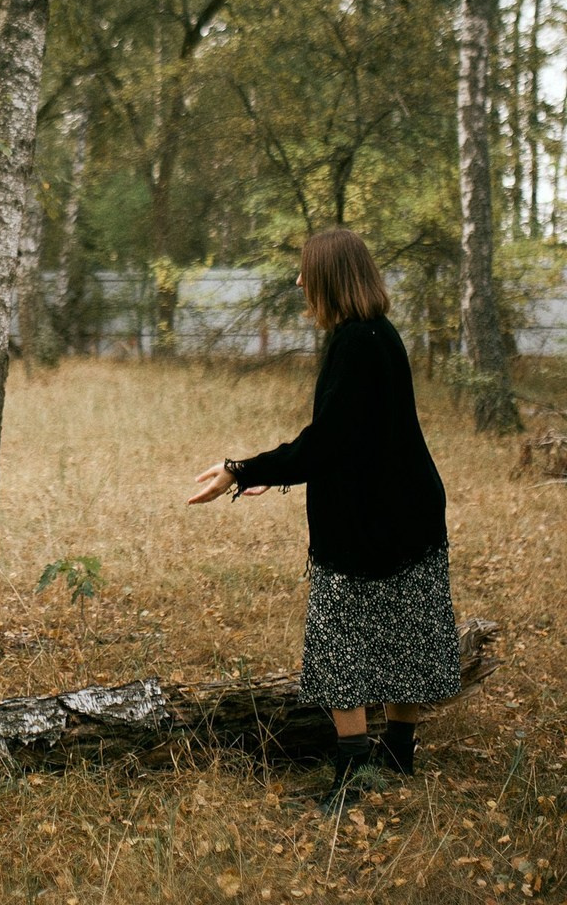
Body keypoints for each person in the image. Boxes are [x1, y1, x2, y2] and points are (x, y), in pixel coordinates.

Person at [188, 227, 460, 814]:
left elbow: (328, 443)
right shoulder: (378, 334)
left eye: (305, 270)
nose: (298, 280)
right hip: (407, 511)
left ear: (331, 277)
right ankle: (398, 758)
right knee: (406, 639)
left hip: (370, 523)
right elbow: (351, 442)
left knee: (341, 646)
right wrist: (279, 472)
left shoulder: (354, 344)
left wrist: (240, 469)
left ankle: (354, 774)